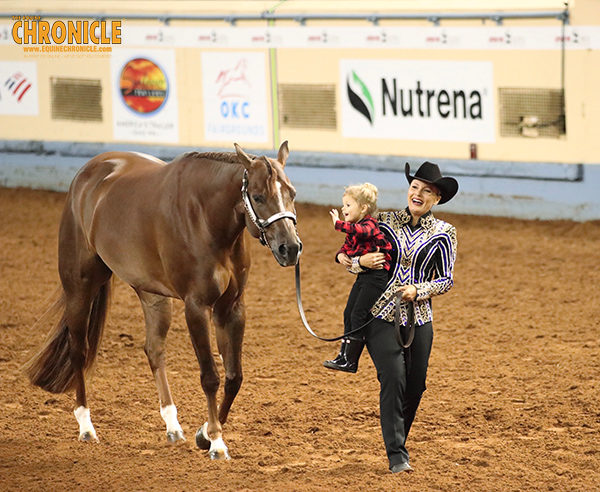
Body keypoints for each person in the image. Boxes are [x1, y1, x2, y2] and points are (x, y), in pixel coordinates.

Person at [351, 162, 458, 474]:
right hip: (380, 313)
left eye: (427, 191)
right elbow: (346, 256)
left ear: (436, 198)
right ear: (408, 189)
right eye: (415, 187)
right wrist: (360, 261)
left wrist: (419, 289)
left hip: (420, 316)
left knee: (416, 385)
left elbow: (447, 279)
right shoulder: (382, 223)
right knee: (394, 377)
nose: (418, 193)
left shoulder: (444, 233)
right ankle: (397, 455)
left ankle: (397, 436)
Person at [324, 183, 392, 373]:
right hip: (364, 276)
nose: (343, 209)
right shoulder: (354, 227)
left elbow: (362, 233)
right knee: (349, 313)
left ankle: (351, 360)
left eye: (347, 205)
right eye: (343, 205)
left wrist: (339, 224)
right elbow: (347, 245)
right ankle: (343, 356)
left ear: (363, 208)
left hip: (376, 277)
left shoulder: (369, 224)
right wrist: (339, 256)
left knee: (358, 314)